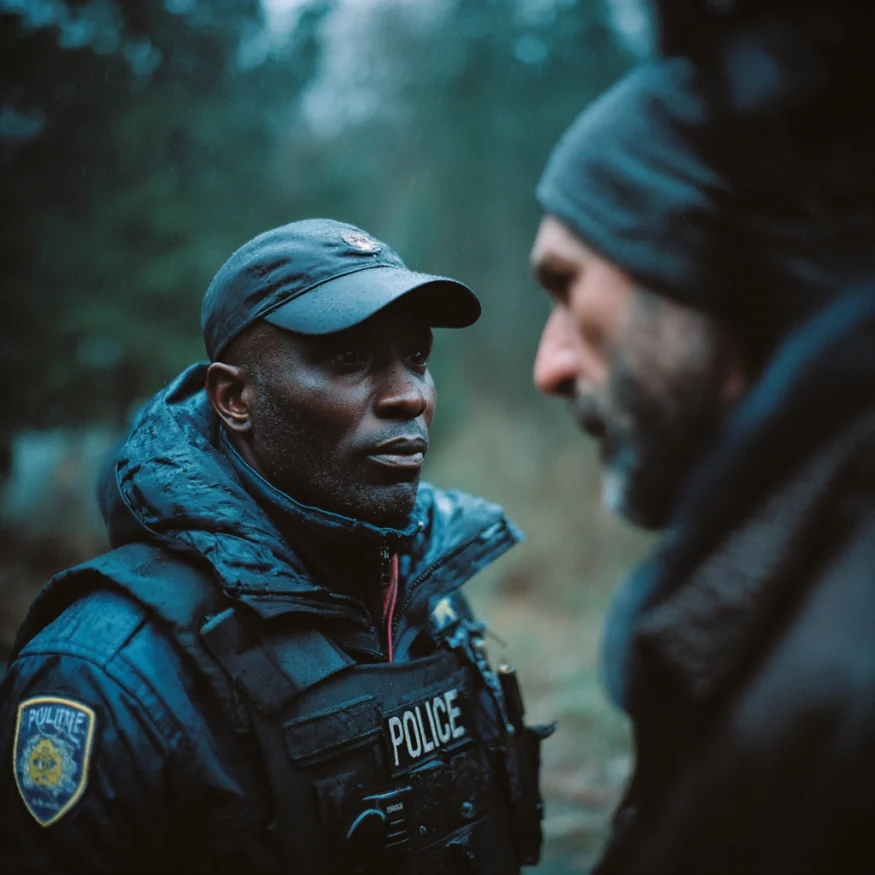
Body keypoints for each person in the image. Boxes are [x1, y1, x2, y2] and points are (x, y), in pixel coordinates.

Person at [0, 219, 551, 874]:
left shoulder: (421, 586)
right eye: (348, 358)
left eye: (417, 357)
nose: (408, 394)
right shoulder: (103, 675)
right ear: (235, 398)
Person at [530, 17, 875, 875]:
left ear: (719, 281)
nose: (550, 363)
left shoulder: (845, 687)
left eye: (569, 286)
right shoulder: (780, 598)